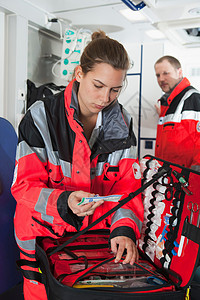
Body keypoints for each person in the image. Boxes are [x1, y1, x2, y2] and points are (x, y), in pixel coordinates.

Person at [11, 30, 143, 300]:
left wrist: (124, 229)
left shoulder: (123, 122)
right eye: (98, 85)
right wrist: (65, 202)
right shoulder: (40, 116)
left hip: (96, 242)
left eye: (115, 89)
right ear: (79, 73)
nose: (106, 98)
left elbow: (128, 186)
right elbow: (25, 187)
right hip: (43, 237)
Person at [154, 55, 200, 171]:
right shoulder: (167, 103)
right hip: (168, 179)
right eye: (158, 75)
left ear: (179, 72)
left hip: (188, 181)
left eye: (166, 73)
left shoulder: (193, 99)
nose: (161, 79)